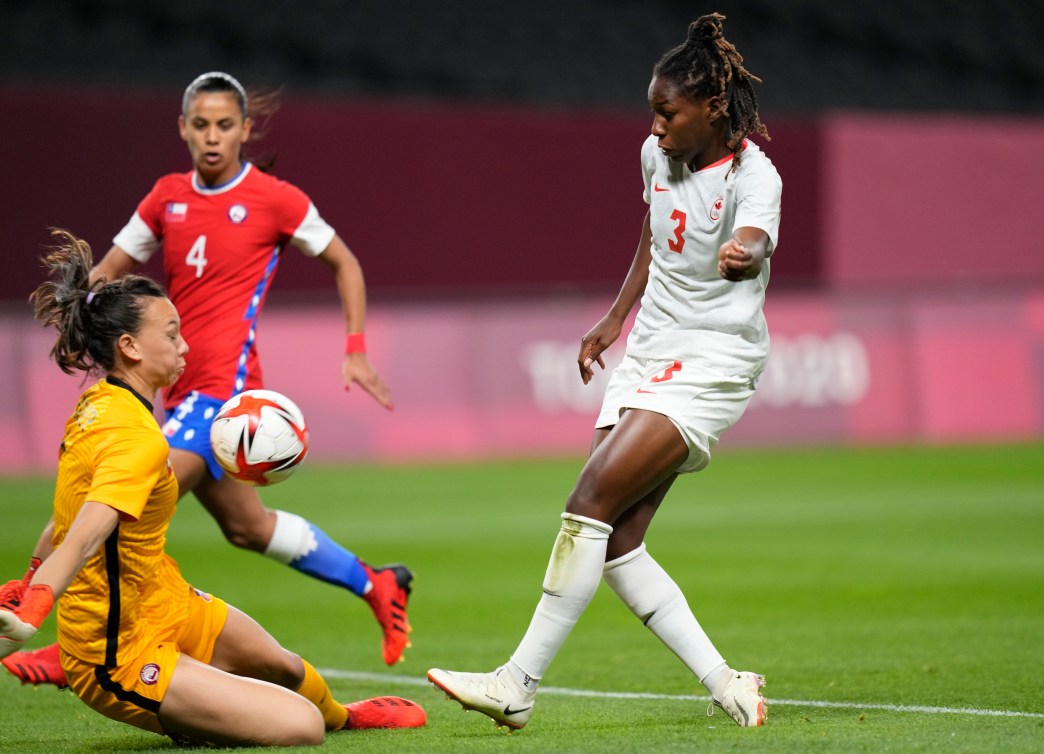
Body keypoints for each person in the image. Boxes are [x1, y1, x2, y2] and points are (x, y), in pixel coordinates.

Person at [427, 12, 781, 730]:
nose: (655, 127)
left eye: (667, 112)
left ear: (710, 108)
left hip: (713, 360)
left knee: (588, 500)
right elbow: (652, 237)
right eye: (651, 111)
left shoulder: (754, 173)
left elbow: (755, 234)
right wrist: (616, 318)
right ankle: (726, 681)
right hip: (649, 349)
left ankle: (516, 682)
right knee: (616, 538)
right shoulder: (657, 158)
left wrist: (743, 251)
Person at [2, 71, 411, 689]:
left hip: (225, 392)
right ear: (183, 129)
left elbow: (344, 261)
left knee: (129, 495)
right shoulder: (166, 196)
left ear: (246, 130)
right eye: (201, 125)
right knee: (248, 527)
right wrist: (78, 311)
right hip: (179, 388)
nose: (212, 137)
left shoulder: (275, 199)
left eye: (225, 125)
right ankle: (376, 582)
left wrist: (355, 348)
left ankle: (68, 629)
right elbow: (111, 272)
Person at [0, 231, 425, 746]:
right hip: (117, 652)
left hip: (162, 601)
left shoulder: (100, 407)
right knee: (300, 727)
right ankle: (195, 716)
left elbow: (61, 520)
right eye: (172, 335)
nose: (185, 346)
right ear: (129, 347)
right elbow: (88, 528)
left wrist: (29, 575)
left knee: (285, 669)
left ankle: (344, 715)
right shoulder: (137, 439)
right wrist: (39, 599)